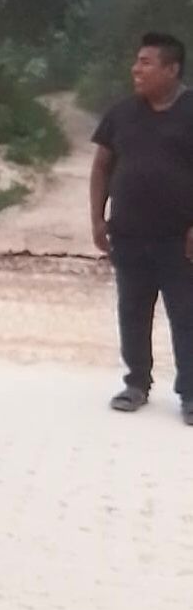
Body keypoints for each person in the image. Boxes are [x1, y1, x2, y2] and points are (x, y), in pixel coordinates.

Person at [90, 32, 193, 425]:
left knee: (187, 317)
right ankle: (136, 384)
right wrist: (97, 218)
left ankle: (190, 394)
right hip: (129, 235)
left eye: (146, 63)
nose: (136, 69)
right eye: (136, 61)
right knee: (132, 312)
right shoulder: (121, 113)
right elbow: (101, 166)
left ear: (172, 69)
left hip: (180, 241)